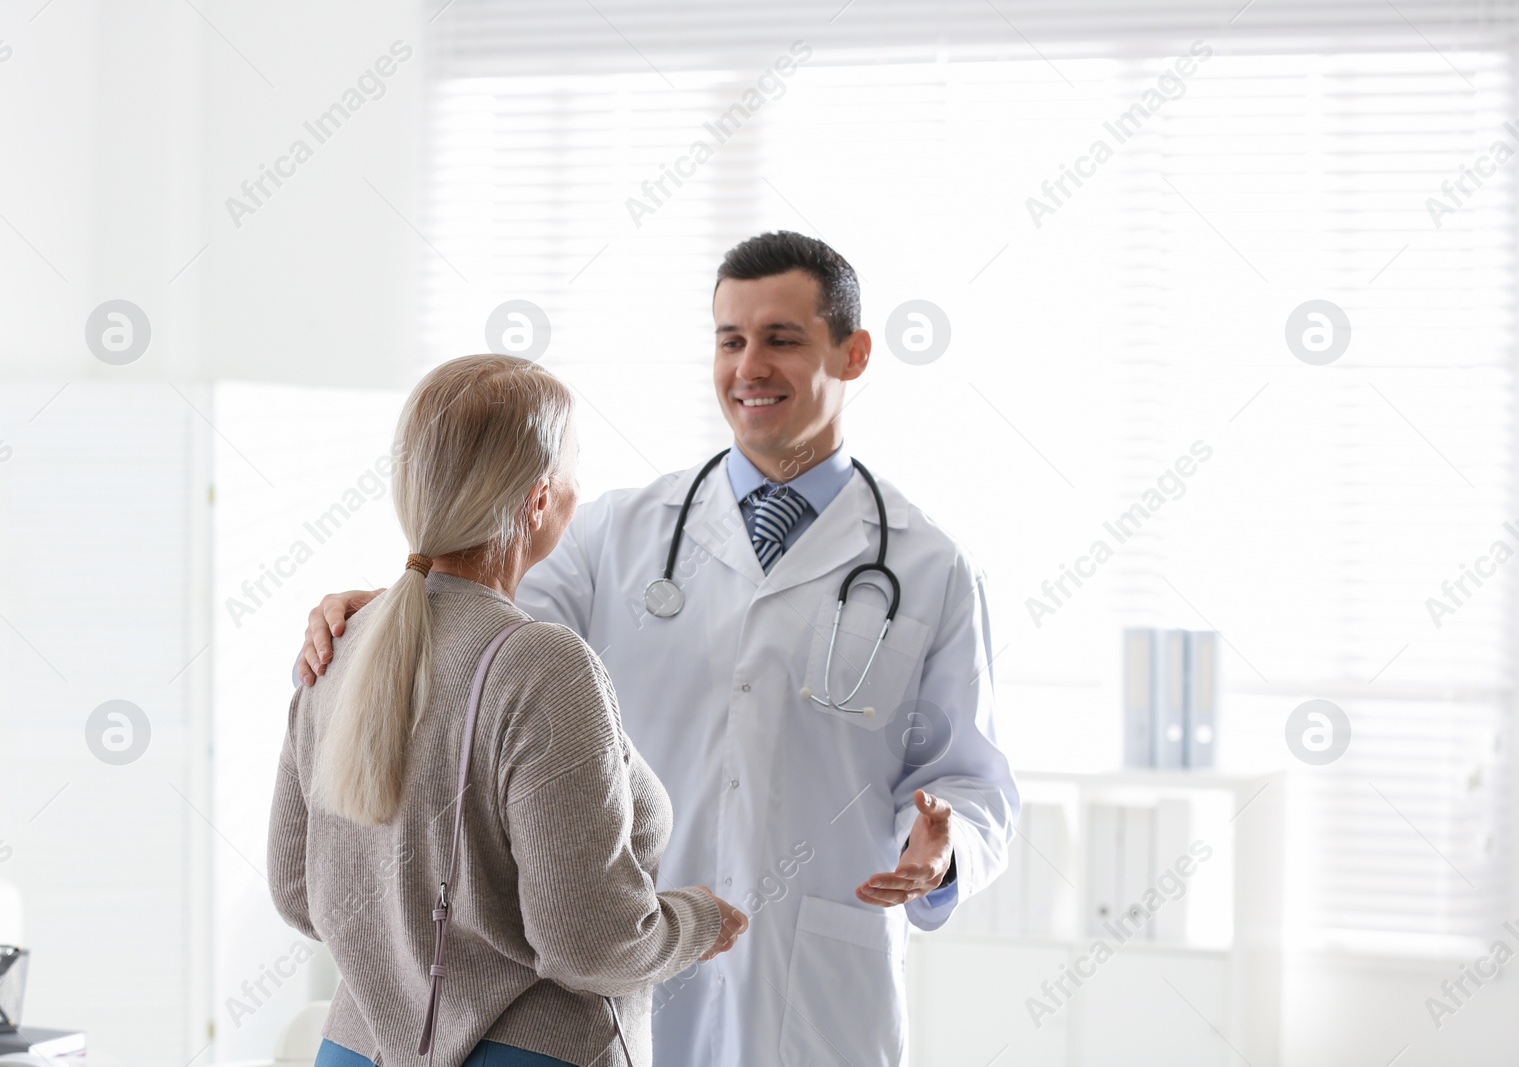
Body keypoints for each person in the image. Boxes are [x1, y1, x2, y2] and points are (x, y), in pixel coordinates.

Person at [296, 233, 1019, 1066]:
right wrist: (382, 609)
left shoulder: (928, 567)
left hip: (814, 980)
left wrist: (947, 844)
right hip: (625, 952)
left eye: (782, 339)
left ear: (853, 354)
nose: (750, 366)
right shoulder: (616, 531)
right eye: (730, 340)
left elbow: (972, 774)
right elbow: (473, 632)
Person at [268, 354, 747, 1067]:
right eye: (574, 473)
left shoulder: (338, 645)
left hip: (351, 1050)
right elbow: (588, 943)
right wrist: (697, 920)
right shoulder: (546, 663)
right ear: (537, 498)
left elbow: (299, 892)